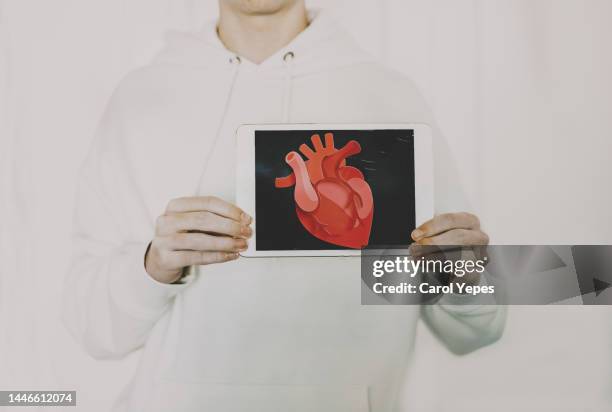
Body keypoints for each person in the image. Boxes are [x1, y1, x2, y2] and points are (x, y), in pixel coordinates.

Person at [63, 1, 506, 410]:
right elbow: (92, 328)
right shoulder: (142, 98)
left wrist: (461, 274)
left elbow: (479, 329)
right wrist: (153, 265)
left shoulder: (390, 96)